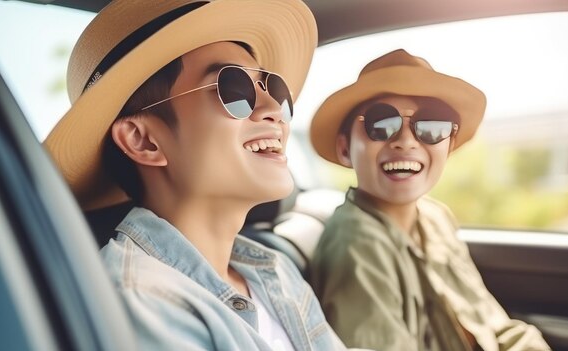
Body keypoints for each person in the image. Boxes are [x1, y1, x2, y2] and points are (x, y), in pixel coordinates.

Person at [44, 0, 356, 350]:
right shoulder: (143, 303)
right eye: (235, 90)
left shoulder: (274, 271)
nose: (275, 112)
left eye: (274, 91)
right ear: (143, 140)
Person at [308, 49, 550, 351]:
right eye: (380, 124)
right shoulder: (357, 242)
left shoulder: (434, 217)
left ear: (449, 146)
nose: (406, 141)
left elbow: (492, 323)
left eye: (432, 126)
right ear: (345, 149)